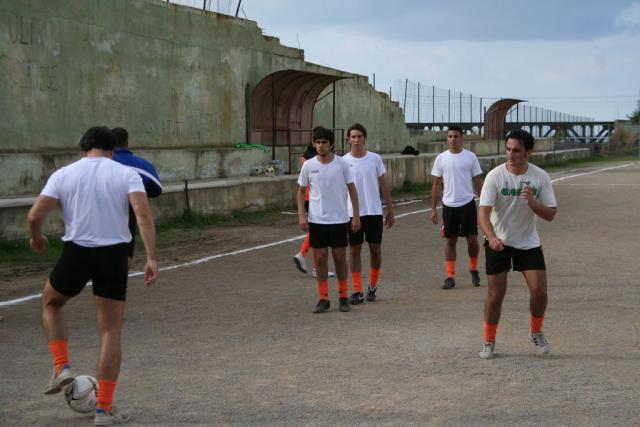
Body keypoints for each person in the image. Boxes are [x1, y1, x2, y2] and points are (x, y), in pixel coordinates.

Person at [27, 126, 158, 425]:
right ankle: (103, 410)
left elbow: (34, 216)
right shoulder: (126, 173)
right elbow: (143, 215)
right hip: (114, 256)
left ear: (84, 148)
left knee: (51, 302)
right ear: (113, 150)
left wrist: (36, 236)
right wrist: (151, 257)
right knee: (110, 331)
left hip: (77, 253)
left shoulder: (64, 174)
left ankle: (62, 366)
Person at [477, 129, 557, 359]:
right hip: (499, 242)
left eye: (516, 150)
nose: (511, 155)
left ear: (528, 152)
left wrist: (532, 202)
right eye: (508, 149)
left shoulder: (540, 176)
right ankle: (489, 341)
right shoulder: (495, 176)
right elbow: (483, 213)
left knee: (540, 292)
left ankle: (536, 331)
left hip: (528, 242)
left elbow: (551, 214)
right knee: (495, 295)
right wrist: (491, 237)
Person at [297, 126, 361, 313]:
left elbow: (352, 190)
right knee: (320, 259)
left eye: (324, 142)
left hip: (339, 219)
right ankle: (323, 298)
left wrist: (356, 216)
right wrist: (301, 215)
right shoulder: (308, 166)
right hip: (317, 220)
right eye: (317, 142)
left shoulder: (342, 164)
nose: (320, 145)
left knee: (340, 258)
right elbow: (301, 192)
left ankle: (343, 296)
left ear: (331, 144)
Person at [343, 123, 395, 305]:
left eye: (359, 136)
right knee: (354, 249)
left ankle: (372, 286)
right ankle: (357, 290)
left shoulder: (374, 159)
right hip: (351, 213)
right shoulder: (343, 161)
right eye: (353, 137)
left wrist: (390, 210)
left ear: (365, 138)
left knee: (375, 249)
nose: (356, 140)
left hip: (373, 211)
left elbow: (384, 186)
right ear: (348, 139)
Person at [431, 125, 483, 289]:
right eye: (450, 137)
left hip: (467, 203)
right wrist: (433, 208)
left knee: (472, 240)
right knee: (450, 240)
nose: (452, 139)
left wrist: (484, 203)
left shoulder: (470, 157)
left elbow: (477, 181)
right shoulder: (441, 158)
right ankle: (450, 276)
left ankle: (473, 268)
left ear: (462, 138)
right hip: (449, 205)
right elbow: (436, 183)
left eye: (456, 136)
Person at [112, 127, 162, 270]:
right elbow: (156, 189)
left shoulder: (100, 163)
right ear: (127, 143)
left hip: (99, 216)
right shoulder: (142, 164)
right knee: (124, 256)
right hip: (128, 214)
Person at [292, 141, 335, 279]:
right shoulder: (319, 158)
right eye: (318, 141)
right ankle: (307, 259)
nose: (321, 145)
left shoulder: (306, 156)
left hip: (309, 198)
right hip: (316, 199)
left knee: (316, 232)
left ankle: (309, 260)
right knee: (319, 232)